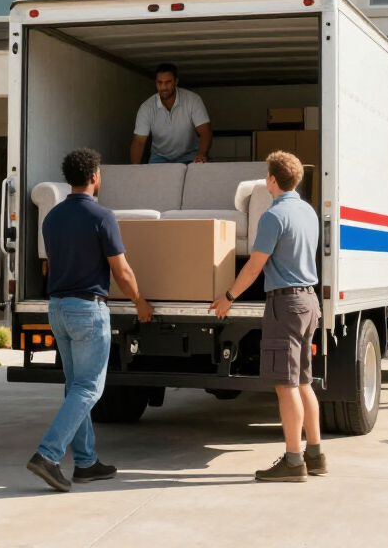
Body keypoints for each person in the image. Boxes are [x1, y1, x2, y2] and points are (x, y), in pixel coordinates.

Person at [26, 148, 153, 492]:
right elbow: (121, 270)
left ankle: (85, 462)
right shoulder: (102, 216)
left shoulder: (51, 218)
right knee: (89, 388)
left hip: (57, 309)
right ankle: (48, 455)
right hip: (87, 310)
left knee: (75, 386)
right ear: (95, 176)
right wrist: (140, 300)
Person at [210, 151, 325, 483]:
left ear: (272, 180)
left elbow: (254, 265)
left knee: (285, 385)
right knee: (303, 381)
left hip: (285, 305)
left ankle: (293, 461)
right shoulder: (308, 212)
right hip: (308, 301)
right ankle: (314, 456)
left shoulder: (273, 217)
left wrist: (228, 296)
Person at [130, 63, 213, 164]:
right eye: (160, 83)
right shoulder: (146, 107)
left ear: (176, 82)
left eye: (168, 82)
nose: (163, 87)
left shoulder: (192, 100)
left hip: (189, 156)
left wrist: (201, 154)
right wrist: (134, 169)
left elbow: (205, 132)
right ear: (156, 83)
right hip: (159, 158)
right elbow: (139, 141)